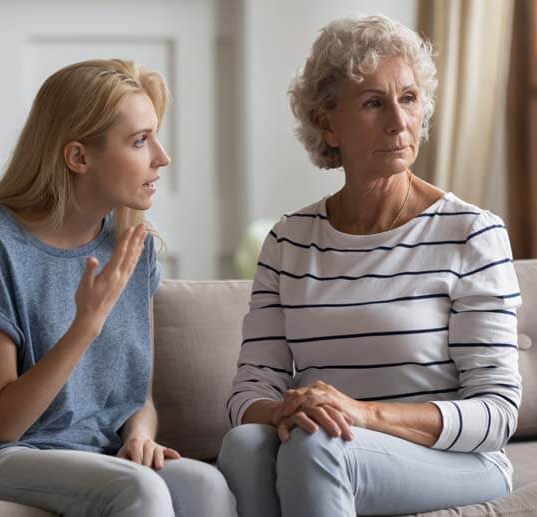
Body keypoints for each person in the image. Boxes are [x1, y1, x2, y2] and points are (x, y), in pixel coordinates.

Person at [218, 15, 521, 517]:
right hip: (326, 442)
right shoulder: (289, 241)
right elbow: (248, 391)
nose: (399, 122)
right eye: (374, 103)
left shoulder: (471, 233)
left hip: (458, 459)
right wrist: (287, 409)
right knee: (245, 447)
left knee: (319, 447)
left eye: (409, 98)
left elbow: (497, 414)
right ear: (328, 123)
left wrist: (362, 414)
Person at [0, 59, 236, 517]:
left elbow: (138, 398)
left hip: (96, 457)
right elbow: (3, 423)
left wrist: (139, 435)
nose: (162, 157)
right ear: (78, 157)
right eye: (140, 141)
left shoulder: (134, 246)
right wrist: (85, 324)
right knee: (141, 492)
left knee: (208, 487)